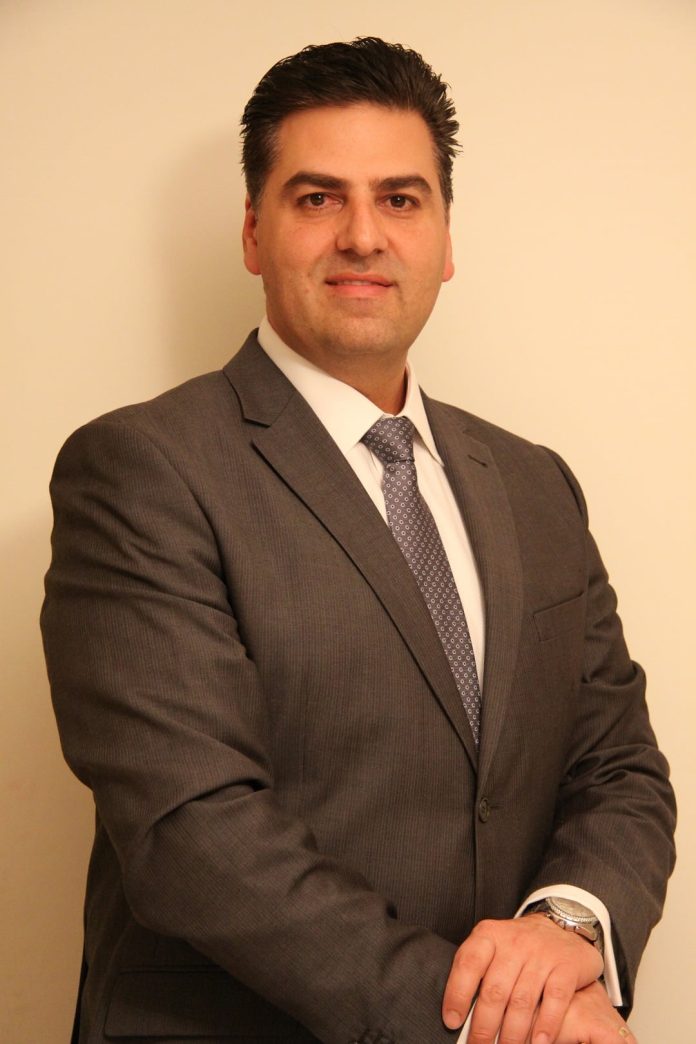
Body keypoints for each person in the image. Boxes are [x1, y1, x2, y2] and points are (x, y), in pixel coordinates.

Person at [42, 37, 675, 1044]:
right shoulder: (142, 470)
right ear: (254, 232)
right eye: (317, 198)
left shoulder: (535, 484)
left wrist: (566, 925)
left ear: (446, 238)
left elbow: (619, 768)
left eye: (401, 199)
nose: (364, 236)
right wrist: (492, 1023)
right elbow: (193, 834)